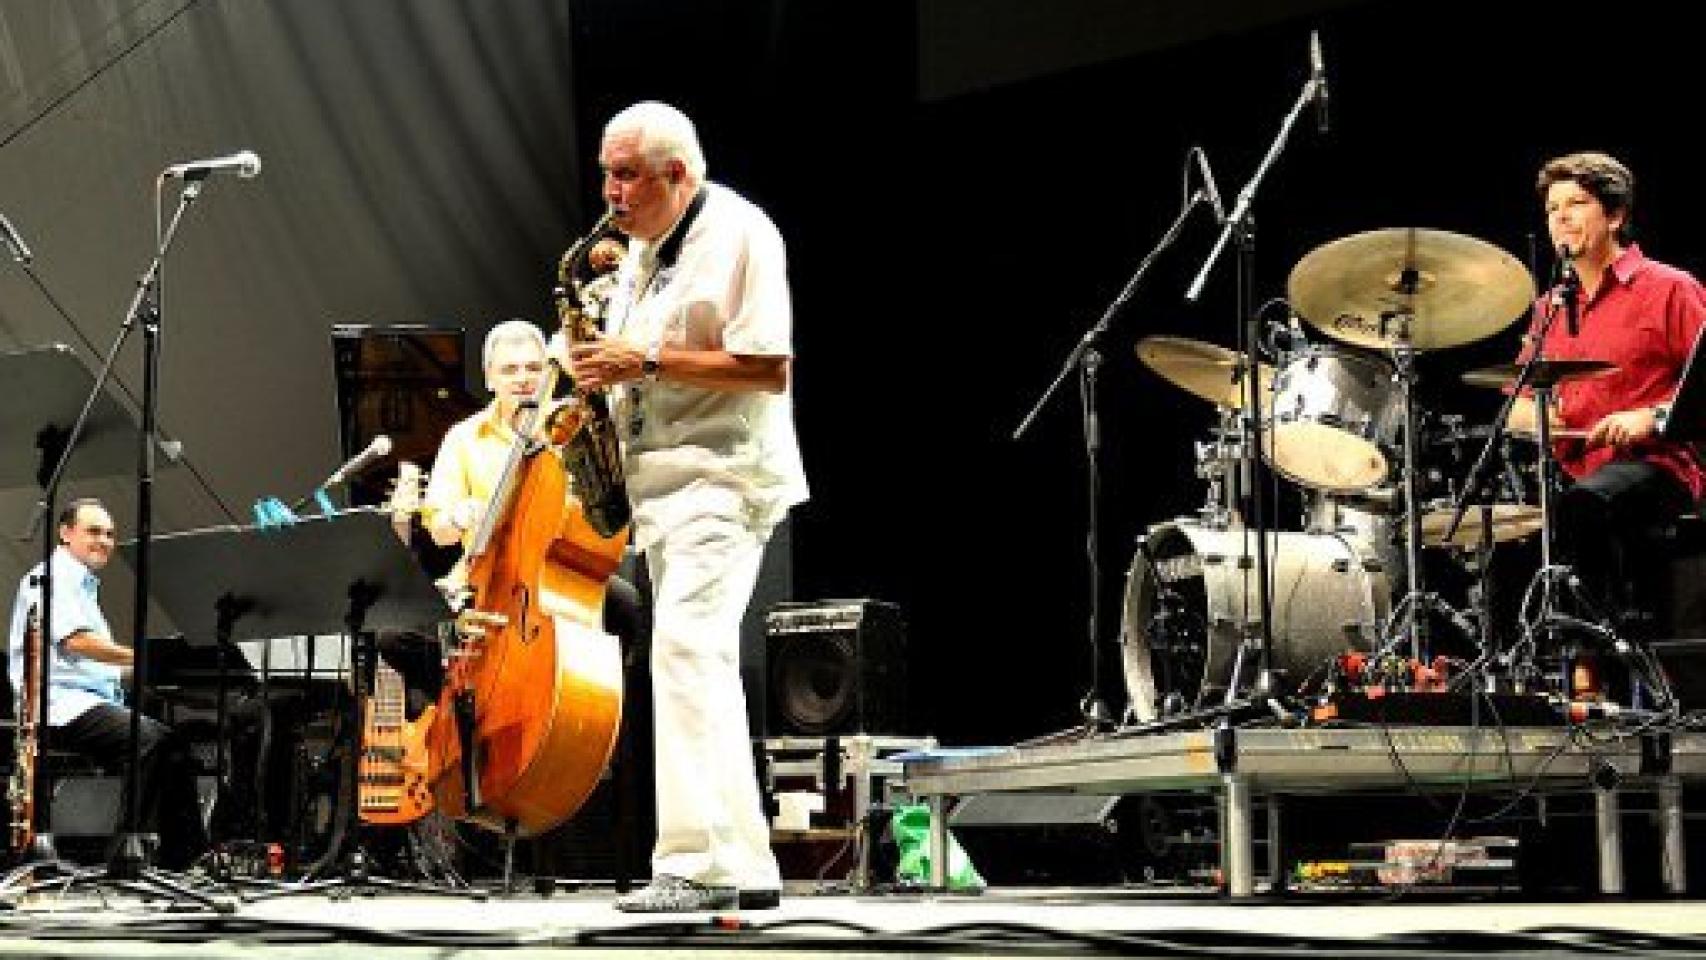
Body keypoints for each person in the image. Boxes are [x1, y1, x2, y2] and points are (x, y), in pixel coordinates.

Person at [564, 101, 808, 913]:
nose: (610, 191)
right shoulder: (639, 248)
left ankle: (696, 866)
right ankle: (746, 866)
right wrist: (601, 360)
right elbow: (638, 355)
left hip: (722, 475)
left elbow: (770, 365)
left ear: (679, 173)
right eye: (607, 171)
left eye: (626, 174)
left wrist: (648, 357)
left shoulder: (743, 233)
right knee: (694, 660)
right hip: (660, 485)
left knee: (685, 650)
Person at [1509, 151, 1706, 648]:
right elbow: (1516, 404)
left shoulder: (1670, 289)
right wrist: (1537, 420)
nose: (1561, 218)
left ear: (1615, 216)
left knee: (1584, 507)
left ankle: (1607, 662)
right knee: (1501, 535)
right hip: (1579, 474)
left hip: (1661, 466)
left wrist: (1653, 417)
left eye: (1576, 203)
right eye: (1552, 209)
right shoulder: (1549, 310)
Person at [6, 498, 207, 869]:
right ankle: (127, 853)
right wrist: (144, 658)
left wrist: (174, 667)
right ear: (65, 533)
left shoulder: (80, 584)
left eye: (111, 534)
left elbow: (94, 666)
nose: (104, 541)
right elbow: (76, 641)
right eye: (94, 531)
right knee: (147, 740)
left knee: (173, 743)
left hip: (84, 701)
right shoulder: (55, 575)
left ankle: (185, 856)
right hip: (57, 708)